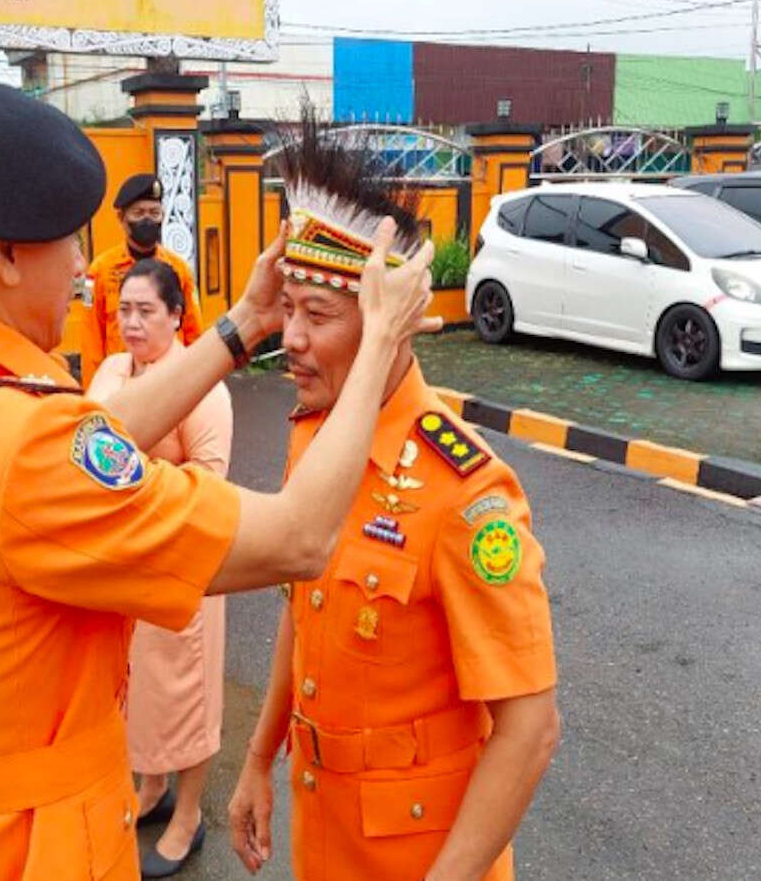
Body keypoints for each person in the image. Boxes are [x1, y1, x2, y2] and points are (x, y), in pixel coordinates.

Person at [0, 82, 438, 880]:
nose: (80, 268)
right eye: (67, 244)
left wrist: (242, 326)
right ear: (1, 252)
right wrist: (380, 335)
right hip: (34, 850)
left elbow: (86, 437)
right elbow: (300, 537)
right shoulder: (24, 448)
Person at [227, 118, 560, 881]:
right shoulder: (316, 436)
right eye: (291, 311)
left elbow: (530, 727)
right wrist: (258, 758)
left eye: (320, 316)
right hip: (325, 830)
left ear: (388, 327)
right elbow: (298, 607)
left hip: (422, 856)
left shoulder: (468, 492)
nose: (293, 340)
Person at [86, 260, 233, 878]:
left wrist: (129, 480)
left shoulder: (202, 385)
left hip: (180, 560)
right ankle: (151, 788)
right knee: (136, 691)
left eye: (147, 311)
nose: (133, 323)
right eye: (124, 310)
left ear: (178, 315)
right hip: (123, 568)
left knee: (184, 692)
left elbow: (210, 477)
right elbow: (79, 447)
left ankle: (190, 813)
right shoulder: (110, 372)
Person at [79, 173, 203, 387]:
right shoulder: (100, 271)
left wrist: (198, 383)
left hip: (171, 381)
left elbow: (194, 332)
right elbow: (91, 338)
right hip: (122, 383)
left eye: (154, 213)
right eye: (139, 213)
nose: (147, 220)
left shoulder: (179, 270)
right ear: (122, 218)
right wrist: (95, 393)